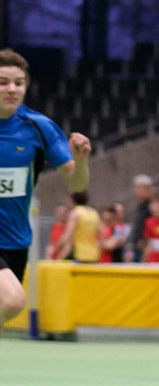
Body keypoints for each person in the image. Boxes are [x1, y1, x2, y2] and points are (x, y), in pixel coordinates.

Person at [0, 48, 91, 331]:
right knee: (13, 300)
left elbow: (77, 184)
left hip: (15, 240)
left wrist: (81, 160)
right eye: (3, 82)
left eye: (18, 83)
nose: (12, 89)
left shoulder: (38, 127)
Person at [55, 192, 101, 263]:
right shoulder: (94, 213)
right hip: (94, 254)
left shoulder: (75, 213)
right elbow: (101, 232)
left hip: (80, 255)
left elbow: (68, 233)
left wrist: (55, 246)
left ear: (73, 200)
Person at [128, 174, 154, 262]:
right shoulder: (140, 206)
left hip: (145, 248)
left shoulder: (151, 207)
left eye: (141, 189)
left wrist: (145, 243)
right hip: (137, 247)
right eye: (137, 188)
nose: (138, 191)